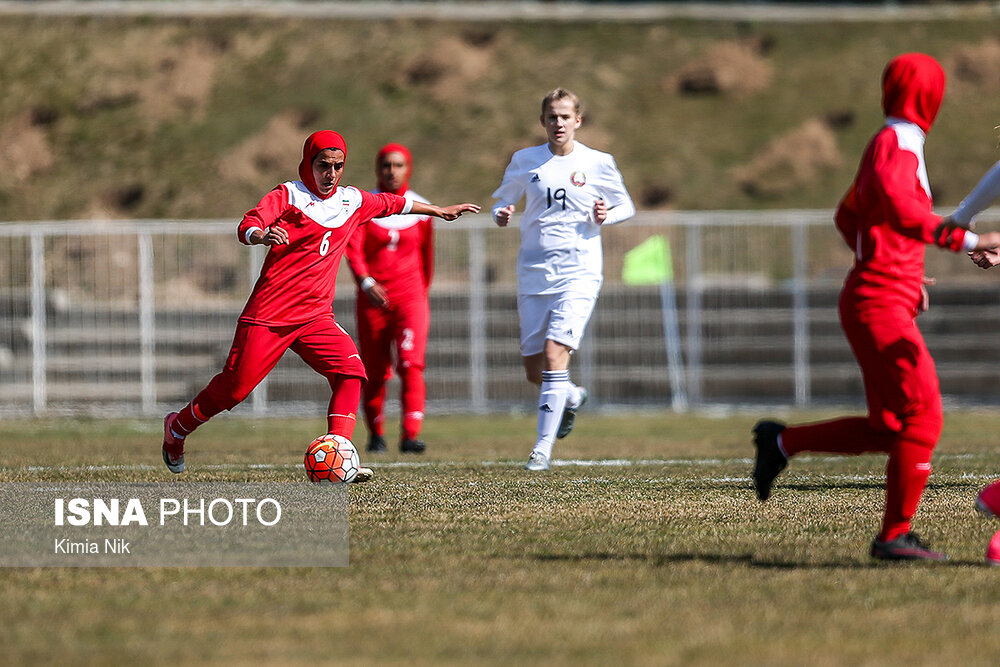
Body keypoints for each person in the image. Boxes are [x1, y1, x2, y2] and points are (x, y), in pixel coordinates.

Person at [751, 53, 1000, 561]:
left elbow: (850, 216)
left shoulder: (890, 142)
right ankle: (893, 537)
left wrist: (899, 265)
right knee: (924, 418)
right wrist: (967, 237)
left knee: (891, 426)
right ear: (930, 96)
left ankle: (780, 443)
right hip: (879, 300)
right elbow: (897, 206)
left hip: (879, 292)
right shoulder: (900, 142)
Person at [161, 130, 479, 477]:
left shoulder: (350, 201)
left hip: (315, 318)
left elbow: (394, 204)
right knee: (234, 390)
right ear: (307, 163)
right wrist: (261, 234)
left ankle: (338, 453)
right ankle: (177, 428)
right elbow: (249, 223)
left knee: (351, 372)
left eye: (338, 166)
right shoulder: (289, 194)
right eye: (323, 165)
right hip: (270, 315)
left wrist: (437, 210)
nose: (330, 174)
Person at [491, 88, 635, 471]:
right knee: (534, 370)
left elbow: (626, 206)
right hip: (534, 274)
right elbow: (500, 201)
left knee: (556, 354)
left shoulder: (598, 162)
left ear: (578, 121)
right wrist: (501, 213)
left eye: (565, 117)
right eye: (552, 116)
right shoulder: (525, 161)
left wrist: (607, 215)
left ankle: (541, 449)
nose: (559, 123)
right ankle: (570, 397)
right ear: (543, 121)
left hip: (579, 272)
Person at [345, 143, 434, 455]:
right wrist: (366, 282)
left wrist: (420, 296)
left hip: (411, 300)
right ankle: (376, 435)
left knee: (411, 364)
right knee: (375, 369)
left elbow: (427, 257)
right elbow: (353, 250)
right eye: (386, 165)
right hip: (373, 301)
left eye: (398, 165)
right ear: (378, 169)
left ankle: (410, 435)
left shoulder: (422, 209)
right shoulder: (365, 207)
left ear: (407, 168)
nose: (392, 172)